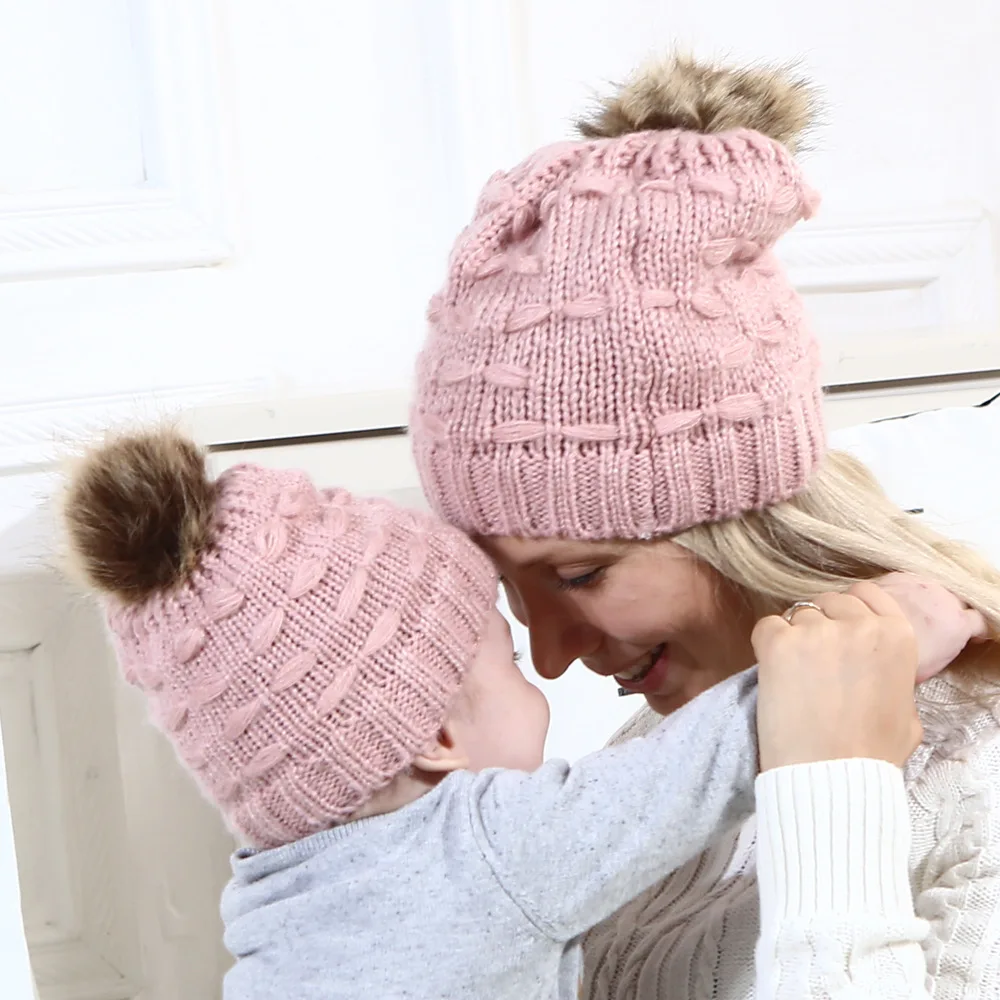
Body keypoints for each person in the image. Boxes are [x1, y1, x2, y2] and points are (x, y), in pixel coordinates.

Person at [411, 54, 1000, 998]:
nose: (553, 661)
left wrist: (832, 786)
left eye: (578, 576)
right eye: (507, 592)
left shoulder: (978, 775)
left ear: (739, 523)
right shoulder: (660, 756)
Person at [61, 428, 789, 1000]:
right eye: (506, 663)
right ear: (438, 738)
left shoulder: (270, 896)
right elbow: (700, 765)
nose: (538, 675)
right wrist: (843, 644)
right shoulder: (485, 845)